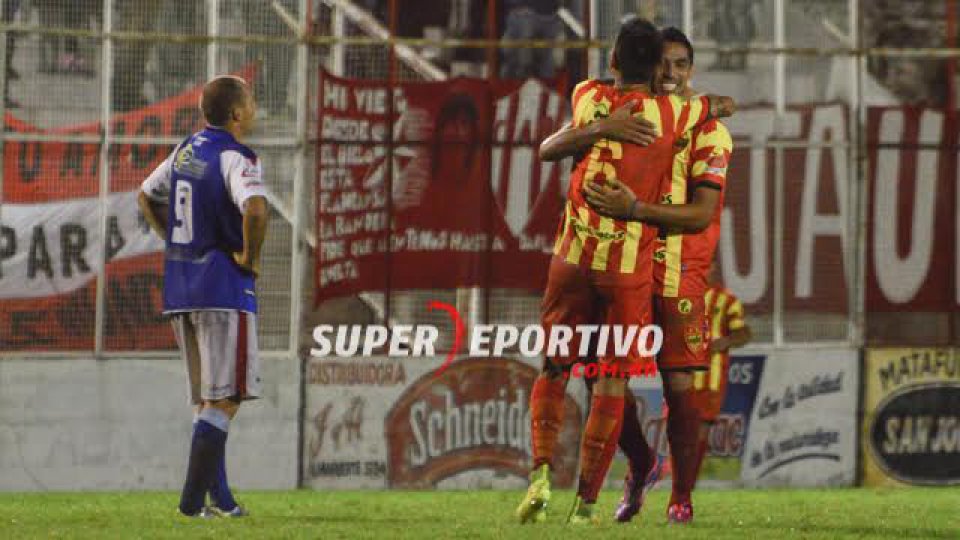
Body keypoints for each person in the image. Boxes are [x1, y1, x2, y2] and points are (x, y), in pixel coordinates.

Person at [516, 17, 734, 525]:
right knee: (602, 380)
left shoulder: (708, 131)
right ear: (652, 65)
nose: (672, 73)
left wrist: (634, 209)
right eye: (665, 64)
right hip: (628, 262)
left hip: (677, 267)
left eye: (681, 65)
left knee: (678, 385)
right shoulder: (674, 112)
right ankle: (638, 465)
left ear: (691, 68)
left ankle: (681, 499)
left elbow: (702, 214)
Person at [138, 76, 269, 518]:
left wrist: (174, 242)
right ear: (235, 113)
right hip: (223, 288)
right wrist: (249, 258)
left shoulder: (186, 151)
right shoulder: (237, 157)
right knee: (226, 399)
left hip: (180, 287)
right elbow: (255, 208)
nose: (253, 107)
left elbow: (145, 195)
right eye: (249, 101)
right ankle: (191, 507)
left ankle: (223, 503)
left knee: (207, 401)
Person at [694, 261, 752, 481]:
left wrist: (725, 341)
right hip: (682, 376)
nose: (703, 271)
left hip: (711, 378)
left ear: (713, 269)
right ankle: (681, 478)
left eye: (706, 267)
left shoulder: (727, 300)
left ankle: (688, 481)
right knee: (679, 429)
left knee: (701, 429)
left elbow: (744, 334)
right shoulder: (680, 297)